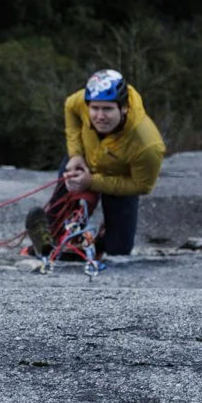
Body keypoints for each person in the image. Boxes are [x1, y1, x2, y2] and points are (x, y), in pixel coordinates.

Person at [32, 68, 166, 261]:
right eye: (95, 109)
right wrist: (75, 154)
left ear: (124, 107)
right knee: (59, 213)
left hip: (119, 176)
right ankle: (48, 235)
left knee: (118, 252)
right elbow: (70, 107)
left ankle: (93, 245)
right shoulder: (81, 101)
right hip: (84, 159)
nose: (100, 116)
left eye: (108, 109)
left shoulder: (148, 144)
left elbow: (142, 186)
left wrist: (91, 182)